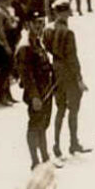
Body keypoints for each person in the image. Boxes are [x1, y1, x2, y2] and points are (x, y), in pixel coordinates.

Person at [14, 11, 56, 169]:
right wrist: (34, 97)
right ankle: (35, 160)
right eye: (36, 23)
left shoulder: (36, 41)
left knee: (43, 125)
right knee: (34, 125)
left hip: (45, 90)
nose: (39, 27)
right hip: (37, 93)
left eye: (41, 23)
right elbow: (26, 76)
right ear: (28, 24)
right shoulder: (25, 46)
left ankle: (45, 156)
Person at [47, 0, 87, 157]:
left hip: (55, 72)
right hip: (68, 73)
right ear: (64, 13)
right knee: (74, 109)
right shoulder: (68, 32)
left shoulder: (48, 29)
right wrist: (79, 78)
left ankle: (56, 144)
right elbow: (72, 58)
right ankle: (73, 143)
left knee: (60, 109)